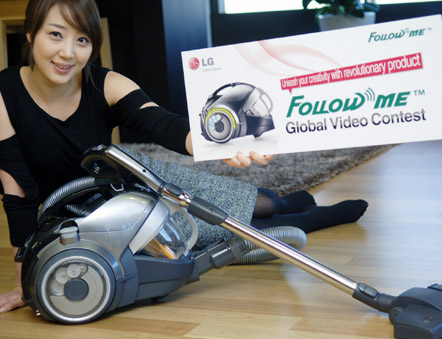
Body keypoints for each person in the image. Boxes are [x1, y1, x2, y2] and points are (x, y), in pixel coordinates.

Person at [0, 0, 368, 314]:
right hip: (93, 215)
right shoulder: (4, 94)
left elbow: (163, 125)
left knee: (266, 204)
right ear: (30, 34)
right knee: (235, 232)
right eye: (55, 34)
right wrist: (24, 285)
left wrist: (216, 144)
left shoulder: (103, 82)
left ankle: (287, 203)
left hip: (134, 177)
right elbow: (17, 191)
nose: (68, 52)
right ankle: (314, 217)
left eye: (82, 40)